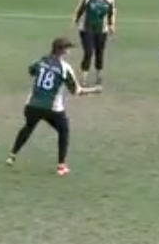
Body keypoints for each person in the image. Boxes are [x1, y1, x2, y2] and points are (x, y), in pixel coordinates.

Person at [6, 37, 101, 176]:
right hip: (52, 109)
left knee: (28, 127)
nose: (69, 52)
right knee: (64, 131)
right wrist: (94, 90)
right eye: (68, 49)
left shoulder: (42, 60)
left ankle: (12, 156)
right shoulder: (64, 67)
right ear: (62, 50)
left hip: (32, 105)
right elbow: (77, 91)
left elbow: (31, 70)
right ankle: (61, 166)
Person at [72, 0, 116, 85]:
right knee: (88, 52)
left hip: (101, 30)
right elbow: (79, 10)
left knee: (99, 53)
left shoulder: (109, 0)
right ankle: (84, 77)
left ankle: (99, 75)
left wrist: (111, 25)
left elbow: (111, 13)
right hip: (87, 29)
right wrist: (75, 22)